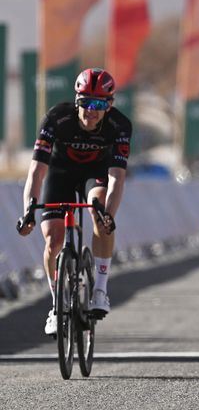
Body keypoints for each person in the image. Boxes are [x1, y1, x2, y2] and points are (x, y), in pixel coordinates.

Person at [18, 68, 131, 335]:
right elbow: (37, 171)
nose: (90, 110)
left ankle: (100, 290)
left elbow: (116, 177)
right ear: (76, 99)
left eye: (98, 105)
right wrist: (28, 211)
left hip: (96, 174)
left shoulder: (119, 125)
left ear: (109, 105)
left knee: (99, 212)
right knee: (53, 240)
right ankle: (56, 305)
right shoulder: (56, 118)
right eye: (85, 102)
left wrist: (109, 215)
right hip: (60, 173)